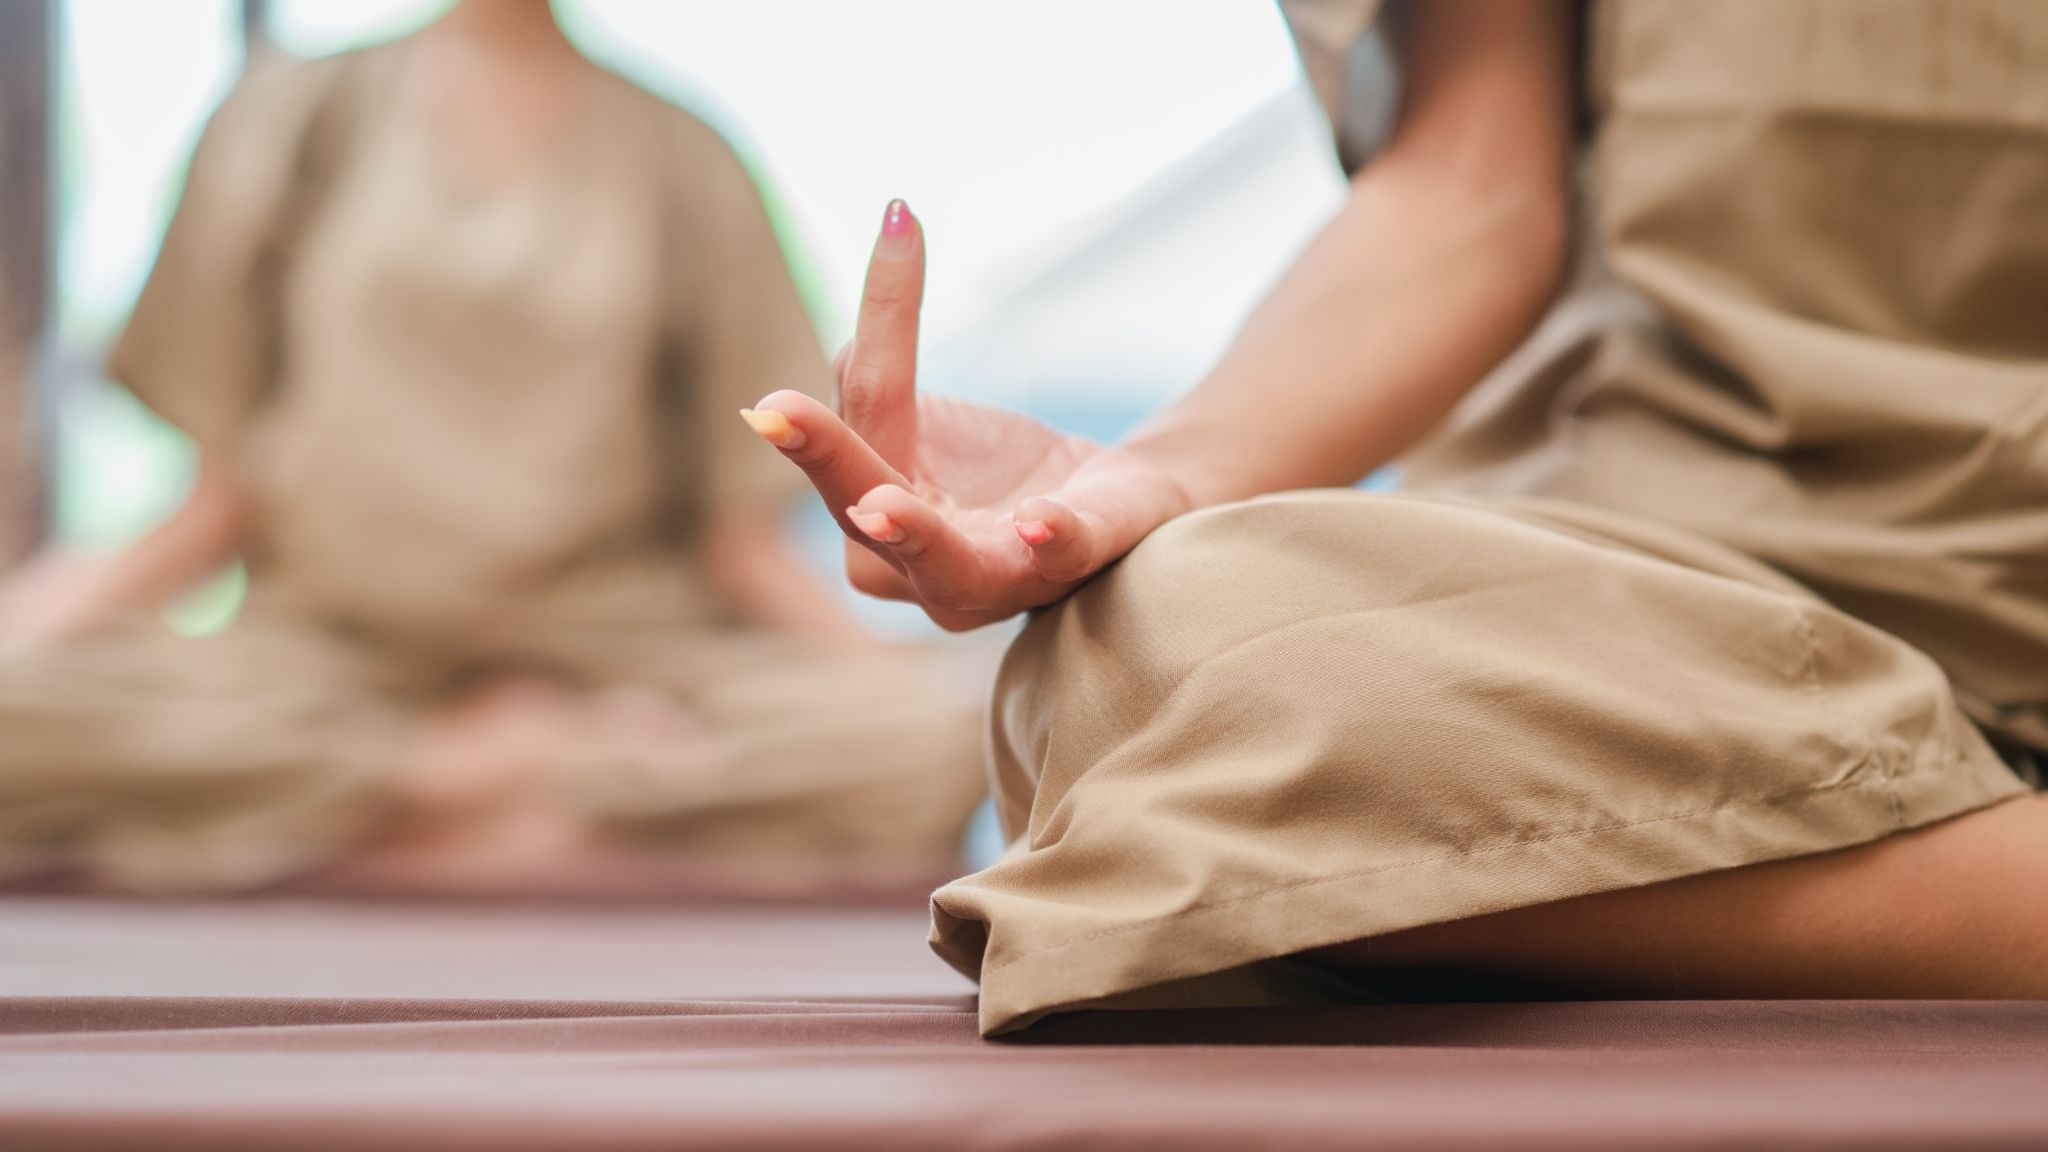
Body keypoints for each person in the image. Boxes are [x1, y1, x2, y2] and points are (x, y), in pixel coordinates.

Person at [742, 0, 2048, 1034]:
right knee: (1158, 658)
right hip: (1684, 589)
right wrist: (1150, 485)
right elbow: (1472, 187)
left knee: (1156, 787)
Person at [0, 0, 985, 892]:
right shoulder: (290, 117)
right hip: (315, 674)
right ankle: (470, 788)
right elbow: (214, 503)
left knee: (955, 731)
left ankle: (382, 821)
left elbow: (745, 539)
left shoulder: (684, 154)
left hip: (625, 679)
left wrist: (932, 703)